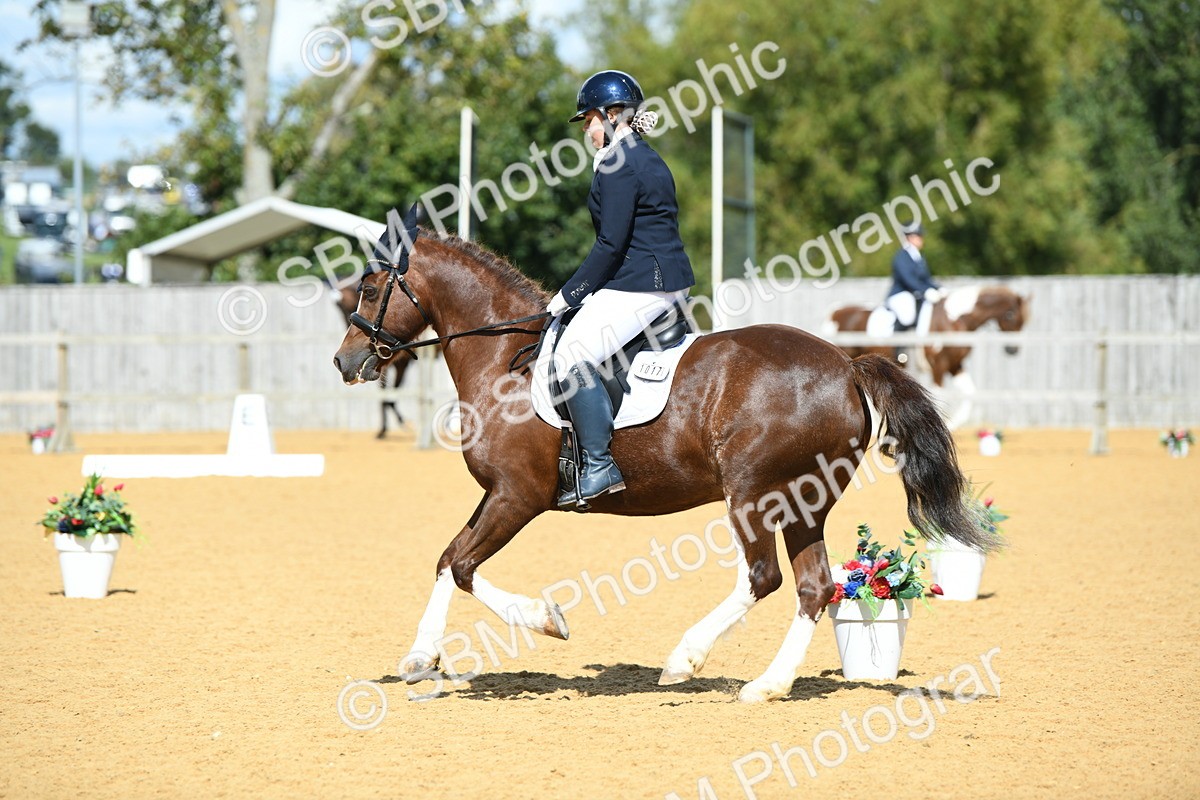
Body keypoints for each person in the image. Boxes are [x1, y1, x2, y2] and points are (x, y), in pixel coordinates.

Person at [546, 69, 695, 504]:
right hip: (660, 280)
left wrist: (569, 293)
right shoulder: (644, 156)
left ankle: (597, 465)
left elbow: (610, 244)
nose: (588, 131)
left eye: (590, 121)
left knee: (572, 351)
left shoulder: (618, 163)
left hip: (641, 284)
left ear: (613, 115)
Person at [884, 221, 943, 333]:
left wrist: (938, 288)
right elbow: (908, 279)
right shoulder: (901, 256)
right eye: (918, 236)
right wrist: (925, 290)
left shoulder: (919, 257)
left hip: (916, 294)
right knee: (907, 316)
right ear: (910, 238)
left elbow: (926, 279)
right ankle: (895, 344)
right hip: (901, 294)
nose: (921, 239)